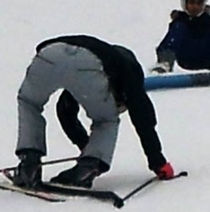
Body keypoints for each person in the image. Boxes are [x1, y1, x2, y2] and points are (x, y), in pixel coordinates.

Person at [12, 34, 175, 189]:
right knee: (106, 120)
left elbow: (65, 111)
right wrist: (158, 162)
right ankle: (88, 169)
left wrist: (85, 146)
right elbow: (143, 118)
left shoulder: (103, 62)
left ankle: (29, 162)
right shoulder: (129, 72)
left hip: (49, 55)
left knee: (29, 103)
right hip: (88, 65)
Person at [151, 0, 210, 73]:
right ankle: (165, 63)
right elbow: (170, 43)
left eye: (199, 3)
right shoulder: (180, 23)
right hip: (186, 60)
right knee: (179, 27)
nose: (195, 6)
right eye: (191, 2)